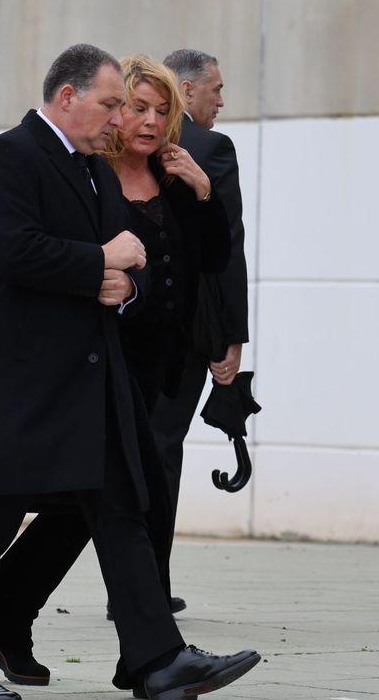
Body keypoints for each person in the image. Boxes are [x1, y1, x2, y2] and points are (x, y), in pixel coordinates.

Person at [0, 43, 259, 700]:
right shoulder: (8, 157)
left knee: (121, 510)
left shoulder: (87, 170)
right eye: (114, 104)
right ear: (67, 97)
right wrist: (98, 262)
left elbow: (131, 270)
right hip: (19, 380)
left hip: (91, 380)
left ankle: (156, 661)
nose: (121, 118)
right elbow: (10, 250)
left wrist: (121, 284)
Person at [157, 50, 249, 544]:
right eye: (217, 88)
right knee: (165, 446)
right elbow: (227, 246)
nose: (222, 100)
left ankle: (130, 585)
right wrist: (231, 335)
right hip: (187, 327)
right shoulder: (210, 146)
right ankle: (152, 584)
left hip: (127, 315)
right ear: (187, 90)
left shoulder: (124, 138)